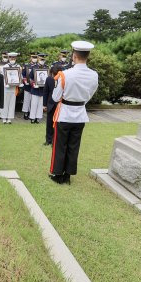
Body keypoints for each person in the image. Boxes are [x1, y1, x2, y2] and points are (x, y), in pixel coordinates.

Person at [49, 41, 98, 185]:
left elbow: (55, 97)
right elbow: (90, 95)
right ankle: (68, 176)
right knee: (73, 146)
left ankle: (58, 174)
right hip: (80, 114)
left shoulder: (65, 74)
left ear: (74, 56)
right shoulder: (94, 75)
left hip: (65, 114)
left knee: (60, 145)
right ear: (87, 57)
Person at [0, 52, 22, 124]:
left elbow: (20, 76)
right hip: (6, 87)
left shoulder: (18, 66)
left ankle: (9, 118)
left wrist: (20, 83)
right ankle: (4, 117)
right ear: (9, 58)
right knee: (5, 102)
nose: (12, 59)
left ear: (16, 58)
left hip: (14, 87)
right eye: (11, 58)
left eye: (14, 58)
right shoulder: (4, 66)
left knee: (12, 103)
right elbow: (1, 77)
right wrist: (5, 83)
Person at [43, 65, 62, 146]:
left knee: (58, 124)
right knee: (49, 123)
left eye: (55, 74)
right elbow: (45, 92)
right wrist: (44, 105)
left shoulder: (63, 79)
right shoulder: (49, 79)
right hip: (50, 104)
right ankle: (48, 140)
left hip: (59, 104)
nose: (54, 76)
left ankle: (56, 141)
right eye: (53, 74)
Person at [28, 53, 48, 124]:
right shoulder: (34, 67)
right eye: (41, 59)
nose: (42, 61)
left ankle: (38, 118)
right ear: (38, 59)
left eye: (43, 59)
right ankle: (32, 118)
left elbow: (48, 78)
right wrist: (33, 84)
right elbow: (30, 78)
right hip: (35, 89)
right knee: (34, 104)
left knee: (40, 105)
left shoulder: (47, 67)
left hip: (43, 90)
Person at [22, 52, 37, 119]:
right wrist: (25, 81)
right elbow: (23, 75)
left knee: (33, 101)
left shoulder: (38, 66)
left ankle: (32, 113)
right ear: (30, 58)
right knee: (26, 100)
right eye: (33, 57)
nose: (34, 59)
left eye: (36, 57)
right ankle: (25, 113)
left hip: (35, 86)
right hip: (27, 86)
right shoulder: (26, 65)